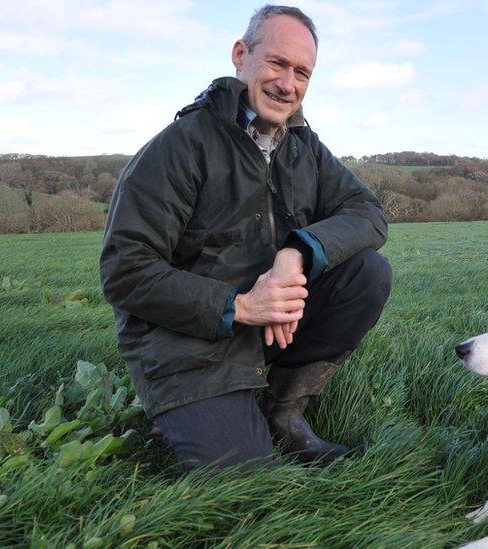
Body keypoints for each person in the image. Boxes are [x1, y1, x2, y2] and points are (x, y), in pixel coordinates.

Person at [100, 5, 391, 471]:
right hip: (188, 341)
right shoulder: (181, 146)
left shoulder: (302, 146)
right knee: (247, 478)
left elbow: (368, 213)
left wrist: (296, 253)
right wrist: (240, 307)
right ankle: (182, 411)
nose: (287, 84)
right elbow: (124, 271)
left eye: (302, 73)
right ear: (241, 55)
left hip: (268, 324)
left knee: (366, 273)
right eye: (276, 63)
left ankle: (284, 411)